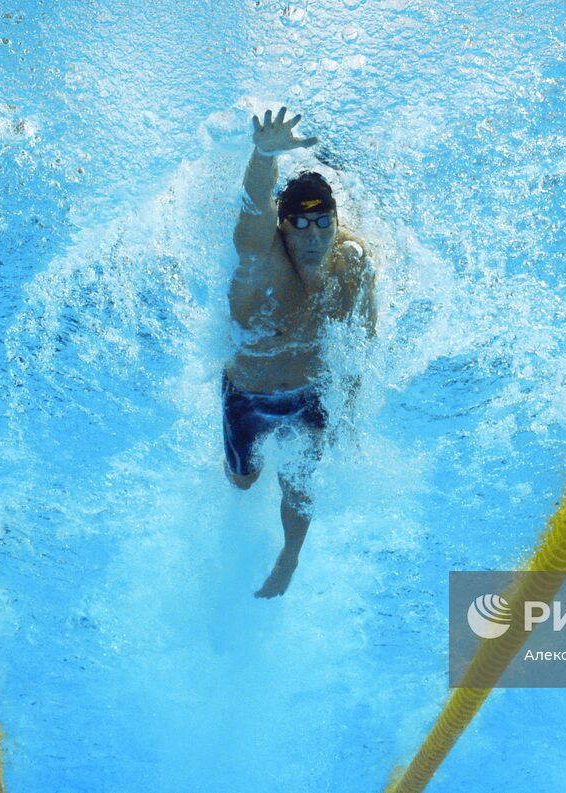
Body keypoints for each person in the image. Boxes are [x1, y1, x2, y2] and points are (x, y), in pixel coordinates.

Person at [224, 106, 376, 598]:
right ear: (283, 226)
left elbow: (361, 348)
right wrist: (264, 154)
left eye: (322, 222)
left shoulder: (351, 265)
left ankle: (290, 556)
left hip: (310, 395)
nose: (313, 235)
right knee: (244, 482)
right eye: (300, 224)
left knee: (300, 485)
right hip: (248, 396)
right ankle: (244, 485)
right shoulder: (260, 259)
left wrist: (348, 412)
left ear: (335, 221)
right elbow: (253, 213)